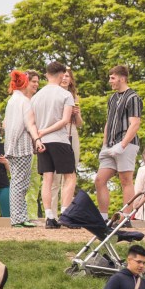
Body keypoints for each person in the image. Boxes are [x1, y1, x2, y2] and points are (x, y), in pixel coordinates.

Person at [31, 61, 76, 228]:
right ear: (61, 75)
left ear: (46, 75)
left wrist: (39, 135)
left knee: (47, 179)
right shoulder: (65, 95)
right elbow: (65, 120)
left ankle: (49, 216)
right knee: (69, 176)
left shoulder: (36, 97)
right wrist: (46, 131)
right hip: (59, 139)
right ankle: (65, 214)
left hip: (42, 142)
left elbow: (32, 122)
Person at [95, 65, 143, 217]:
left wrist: (122, 145)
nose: (110, 81)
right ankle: (103, 217)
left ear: (122, 78)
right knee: (99, 180)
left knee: (125, 180)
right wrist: (104, 144)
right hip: (109, 146)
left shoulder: (133, 97)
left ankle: (126, 217)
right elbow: (108, 123)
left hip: (126, 144)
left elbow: (135, 124)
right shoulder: (112, 98)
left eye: (112, 78)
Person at [3, 69, 44, 227]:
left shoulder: (12, 100)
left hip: (12, 147)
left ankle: (19, 217)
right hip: (22, 147)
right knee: (21, 183)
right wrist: (37, 139)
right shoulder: (24, 102)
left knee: (17, 183)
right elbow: (29, 124)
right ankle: (18, 218)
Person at [48, 67, 83, 219]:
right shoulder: (53, 95)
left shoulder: (74, 96)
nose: (65, 78)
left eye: (68, 76)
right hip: (57, 135)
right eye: (63, 76)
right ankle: (53, 215)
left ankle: (66, 213)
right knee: (55, 178)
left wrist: (76, 114)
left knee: (70, 175)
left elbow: (80, 123)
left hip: (72, 133)